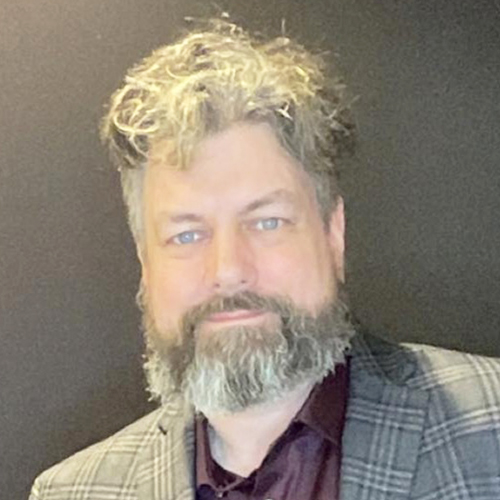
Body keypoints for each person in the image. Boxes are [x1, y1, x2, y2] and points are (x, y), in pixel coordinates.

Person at [29, 19, 500, 500]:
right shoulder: (71, 492)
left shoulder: (491, 429)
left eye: (267, 222)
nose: (228, 270)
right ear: (145, 266)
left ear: (332, 235)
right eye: (186, 234)